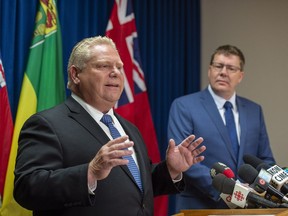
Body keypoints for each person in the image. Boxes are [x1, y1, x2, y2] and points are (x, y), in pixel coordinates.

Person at [13, 36, 206, 216]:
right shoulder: (47, 124)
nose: (115, 72)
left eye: (119, 67)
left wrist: (171, 170)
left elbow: (133, 186)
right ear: (75, 74)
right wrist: (90, 173)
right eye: (104, 66)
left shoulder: (129, 128)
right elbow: (27, 188)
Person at [167, 45, 276, 210]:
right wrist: (232, 191)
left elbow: (265, 160)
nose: (223, 72)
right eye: (218, 66)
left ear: (240, 76)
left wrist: (259, 191)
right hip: (200, 207)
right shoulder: (184, 106)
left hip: (250, 209)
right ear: (210, 70)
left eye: (231, 68)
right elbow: (183, 160)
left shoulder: (255, 110)